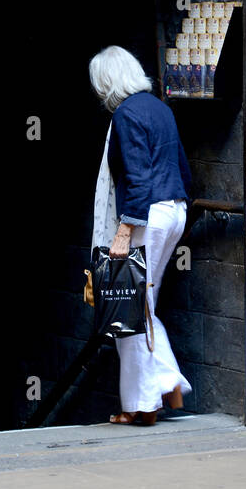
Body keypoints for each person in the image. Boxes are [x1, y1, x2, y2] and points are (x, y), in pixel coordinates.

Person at [89, 45, 193, 425]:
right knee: (143, 303)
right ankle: (165, 384)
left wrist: (123, 230)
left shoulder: (126, 114)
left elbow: (136, 175)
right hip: (174, 208)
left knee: (129, 308)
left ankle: (143, 403)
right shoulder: (159, 107)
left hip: (147, 215)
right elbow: (180, 164)